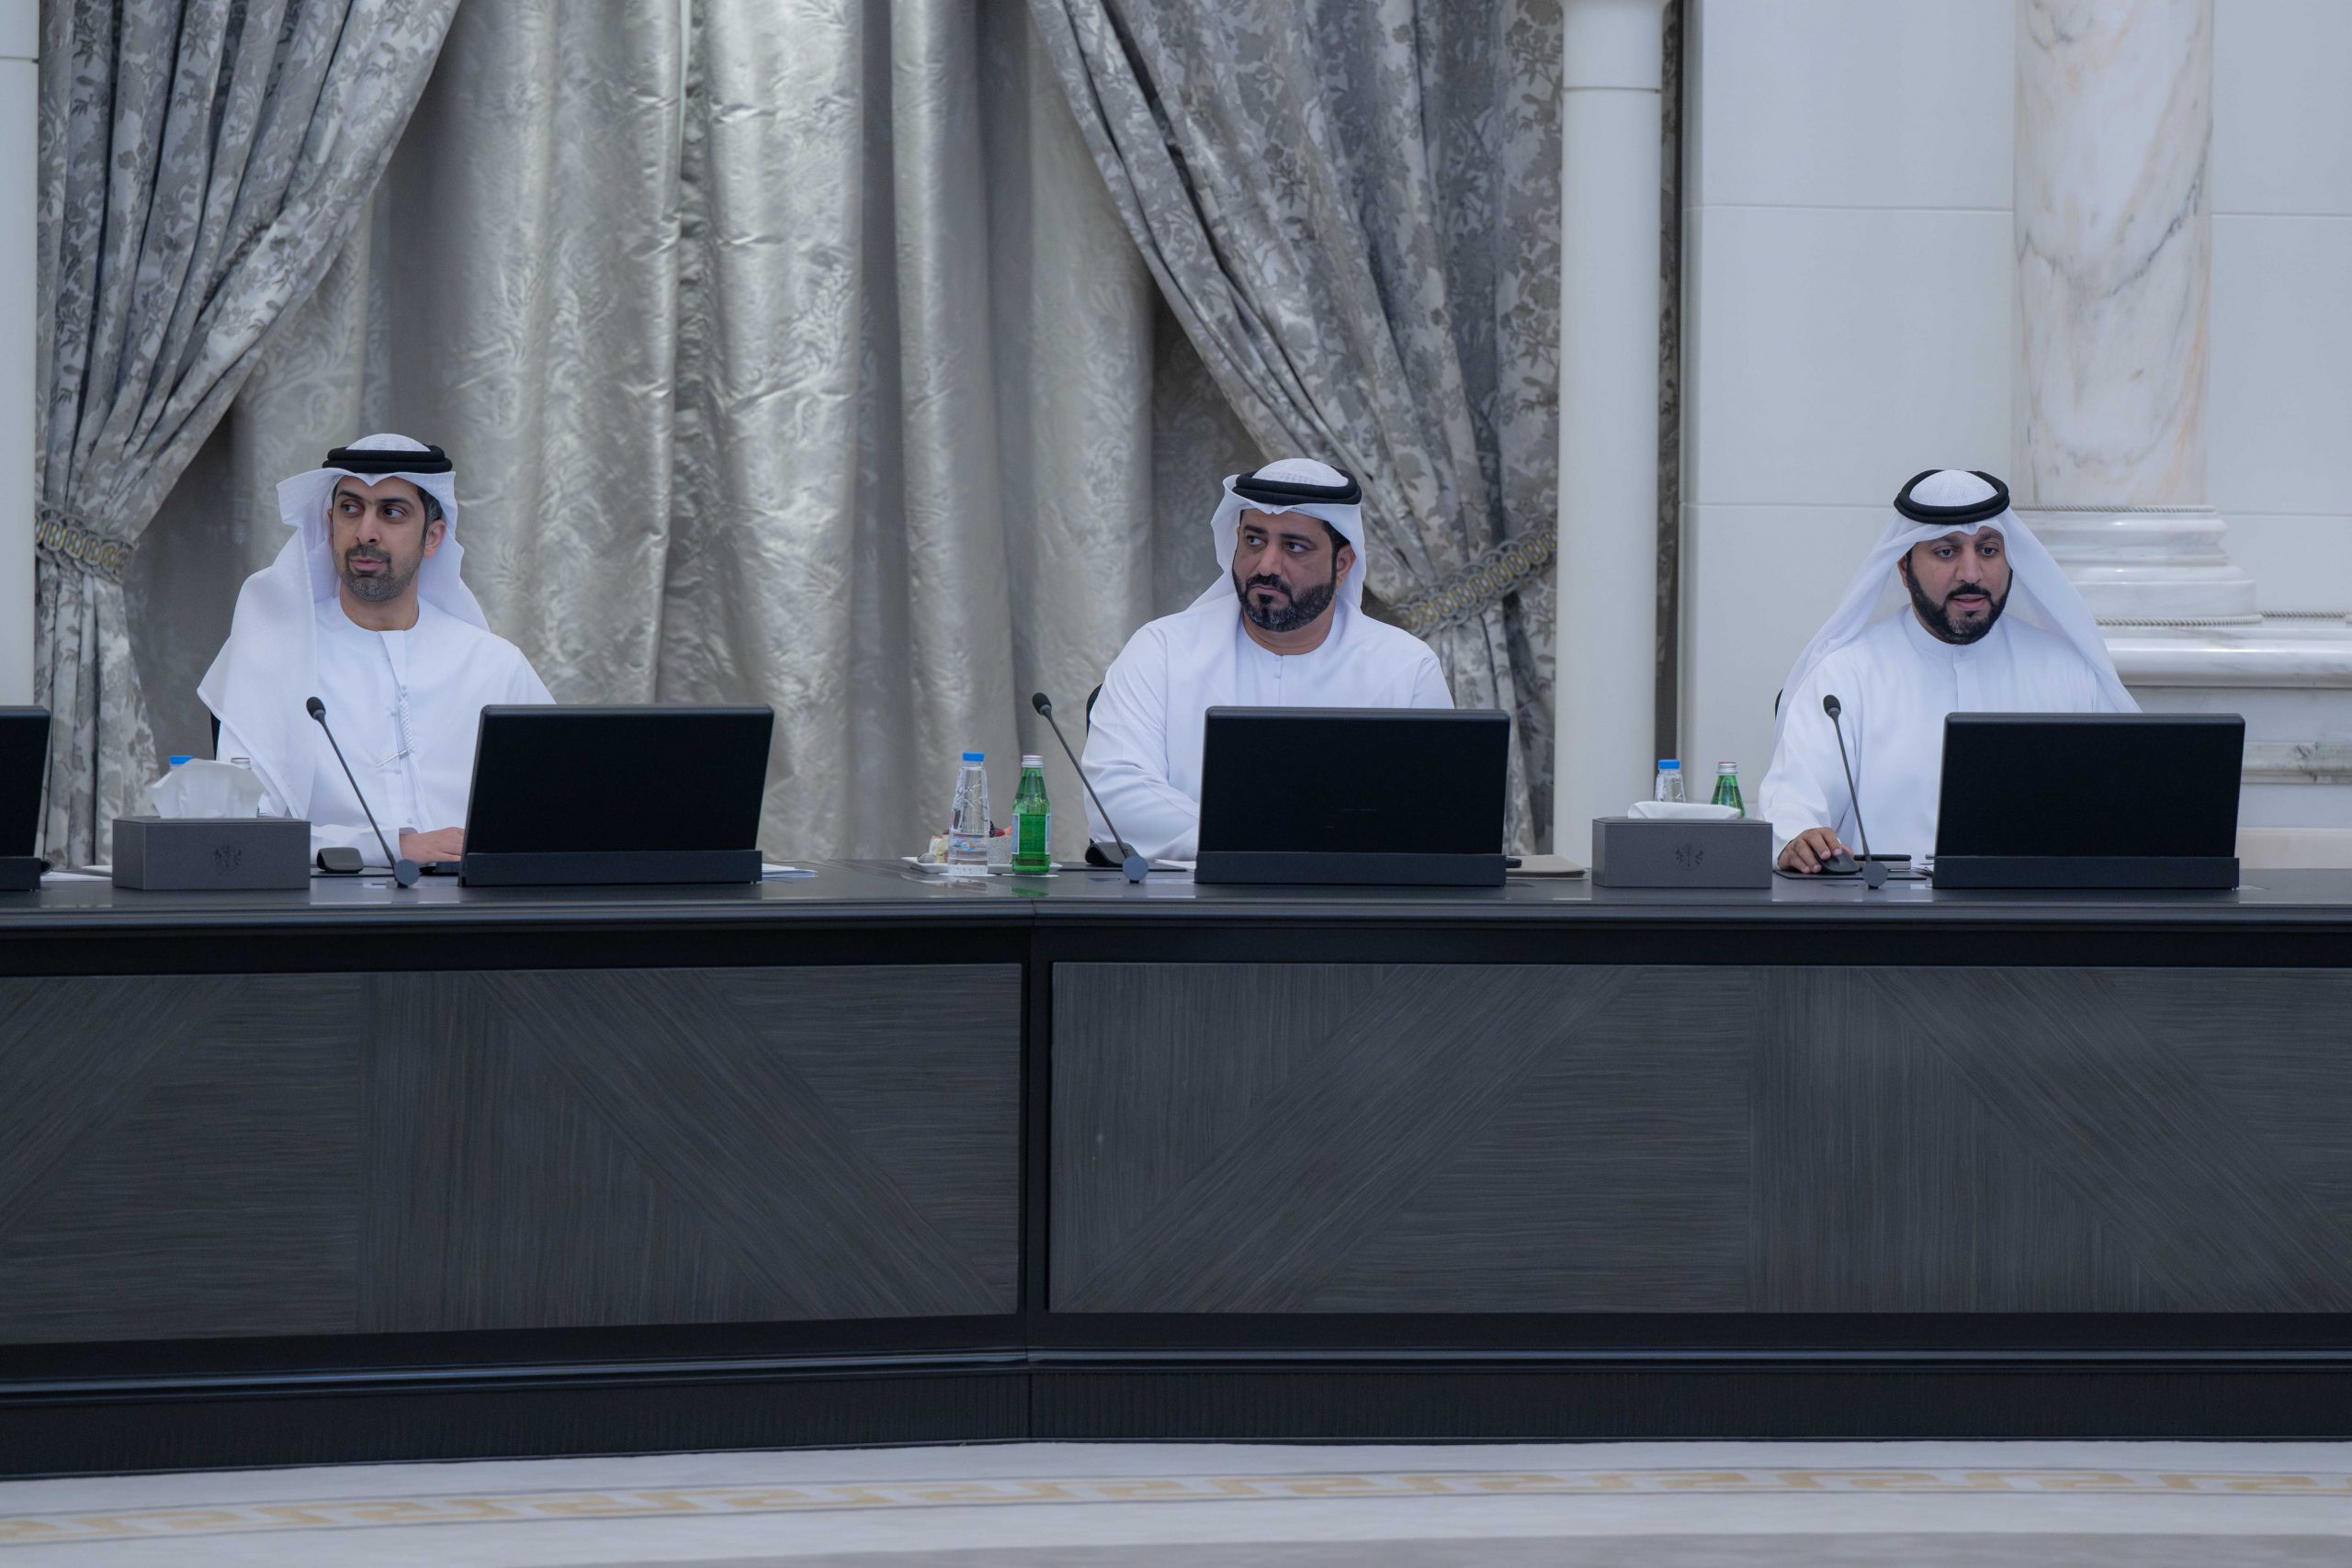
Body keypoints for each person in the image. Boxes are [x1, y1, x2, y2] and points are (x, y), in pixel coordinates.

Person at [1758, 468, 2135, 873]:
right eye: (1946, 552)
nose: (1971, 574)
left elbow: (2131, 799)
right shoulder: (1844, 677)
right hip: (1888, 908)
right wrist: (1798, 836)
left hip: (2042, 906)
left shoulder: (2067, 671)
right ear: (1904, 568)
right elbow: (1794, 801)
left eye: (1988, 550)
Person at [198, 434, 550, 866]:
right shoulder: (270, 658)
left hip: (475, 900)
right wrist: (388, 847)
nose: (365, 532)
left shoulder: (495, 666)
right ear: (330, 526)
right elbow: (240, 831)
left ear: (432, 537)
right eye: (351, 509)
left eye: (391, 512)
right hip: (327, 900)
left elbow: (560, 810)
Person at [1082, 457, 1452, 861]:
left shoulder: (1405, 668)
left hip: (1353, 897)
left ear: (1342, 564)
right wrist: (1259, 845)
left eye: (1294, 547)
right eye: (1254, 541)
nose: (1266, 565)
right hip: (1190, 896)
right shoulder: (1162, 649)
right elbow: (1116, 795)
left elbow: (1436, 815)